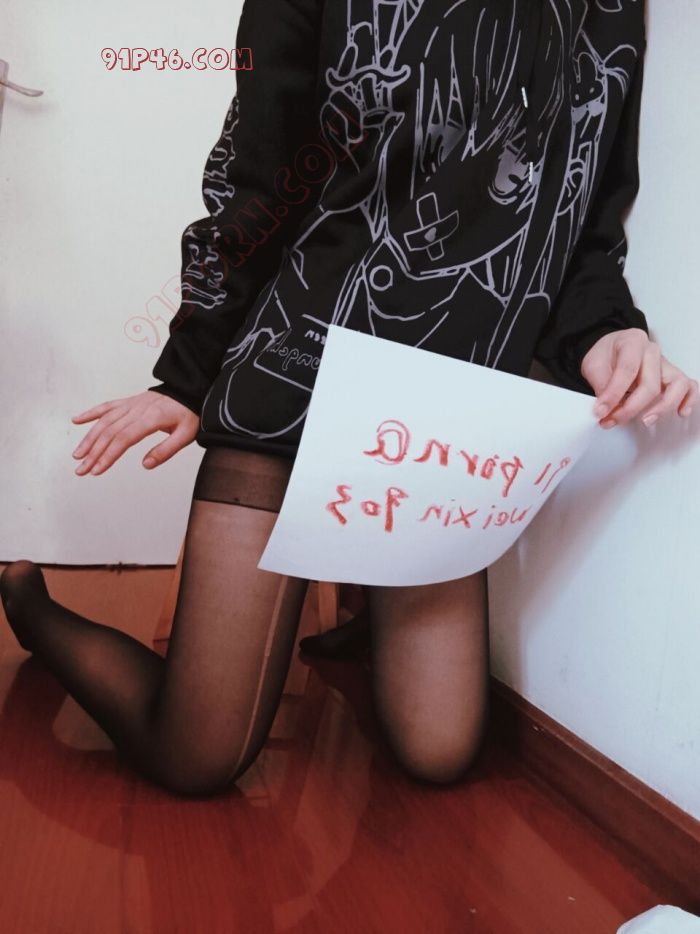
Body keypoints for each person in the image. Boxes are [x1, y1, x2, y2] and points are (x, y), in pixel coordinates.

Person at [1, 0, 697, 797]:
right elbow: (256, 183)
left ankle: (364, 611)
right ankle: (35, 614)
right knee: (197, 755)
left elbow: (584, 218)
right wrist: (189, 375)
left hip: (445, 406)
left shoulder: (608, 11)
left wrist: (606, 332)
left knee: (439, 751)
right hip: (297, 366)